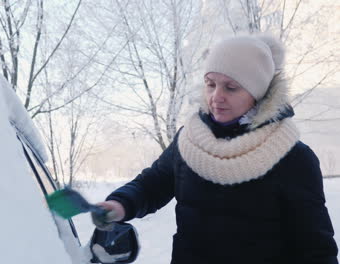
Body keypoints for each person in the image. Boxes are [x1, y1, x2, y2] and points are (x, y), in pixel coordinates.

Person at [92, 34, 338, 263]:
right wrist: (121, 203)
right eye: (211, 84)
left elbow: (315, 246)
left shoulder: (293, 157)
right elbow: (154, 183)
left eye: (231, 88)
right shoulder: (189, 141)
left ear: (258, 93)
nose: (216, 97)